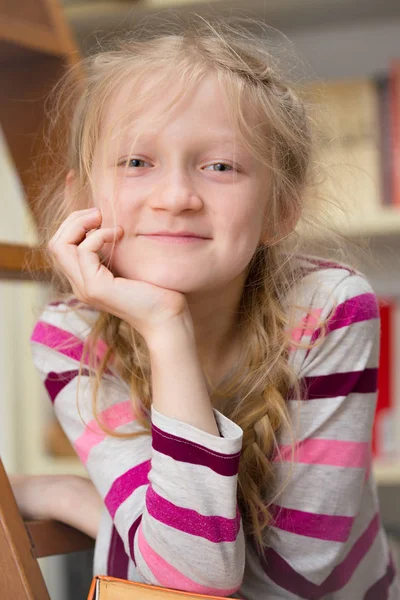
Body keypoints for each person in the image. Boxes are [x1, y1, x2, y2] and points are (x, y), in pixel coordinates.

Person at [11, 14, 399, 599]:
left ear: (282, 208)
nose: (176, 198)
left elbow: (278, 581)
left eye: (220, 166)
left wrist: (81, 500)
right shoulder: (70, 335)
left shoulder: (330, 309)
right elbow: (186, 574)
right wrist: (166, 326)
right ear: (82, 200)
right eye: (137, 163)